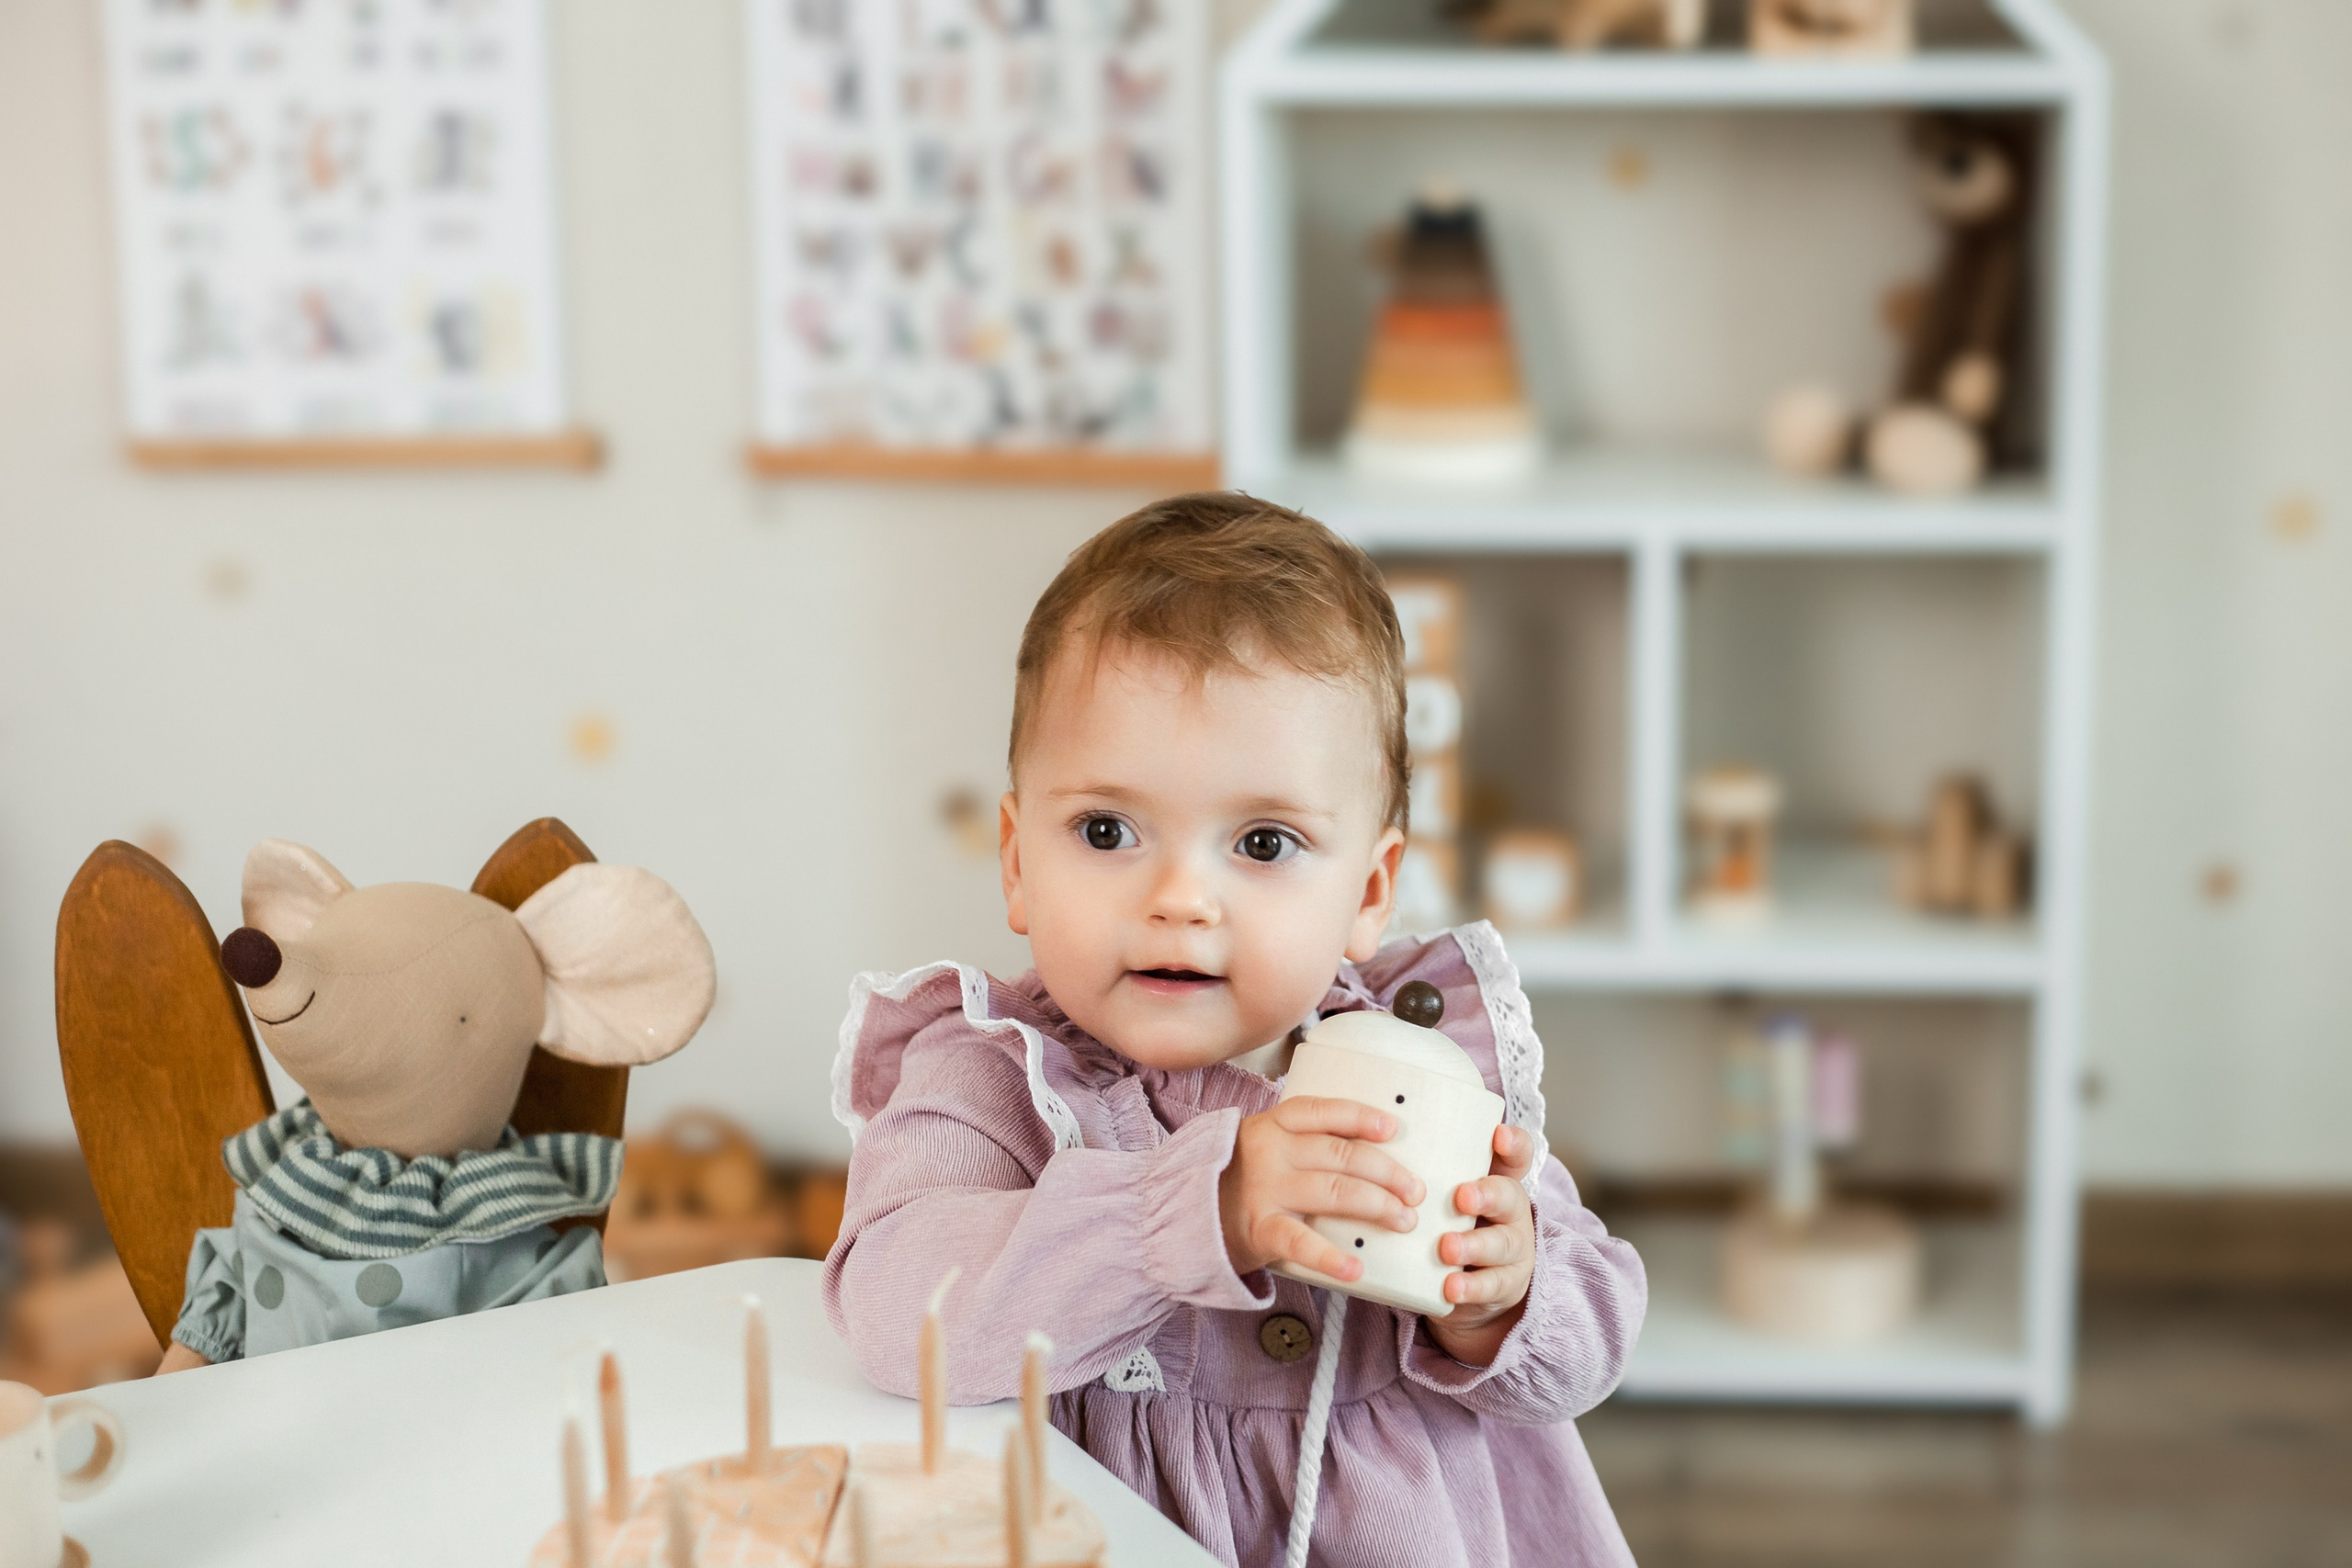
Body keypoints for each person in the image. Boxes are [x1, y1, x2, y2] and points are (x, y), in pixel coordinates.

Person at [822, 491, 1645, 1567]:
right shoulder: (993, 1073)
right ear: (1019, 861)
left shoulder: (1419, 1065)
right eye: (1107, 830)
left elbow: (1589, 1343)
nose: (1180, 898)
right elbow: (895, 1312)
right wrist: (1198, 1205)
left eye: (1262, 842)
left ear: (1369, 888)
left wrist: (1502, 1294)